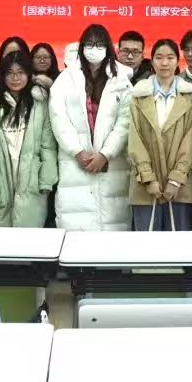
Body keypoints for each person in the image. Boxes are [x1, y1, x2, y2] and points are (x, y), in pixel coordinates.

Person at [48, 25, 133, 231]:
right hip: (75, 163)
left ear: (108, 47)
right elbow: (58, 118)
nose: (94, 49)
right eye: (90, 44)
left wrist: (105, 154)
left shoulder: (122, 79)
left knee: (112, 229)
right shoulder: (66, 78)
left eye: (100, 44)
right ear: (82, 47)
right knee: (75, 230)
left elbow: (125, 122)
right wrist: (76, 151)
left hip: (112, 164)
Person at [0, 51, 58, 228]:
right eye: (10, 73)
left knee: (28, 235)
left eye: (20, 72)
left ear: (29, 74)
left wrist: (46, 179)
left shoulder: (39, 103)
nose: (15, 78)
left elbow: (48, 144)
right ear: (2, 75)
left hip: (31, 176)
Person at [128, 39, 192, 231]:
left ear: (178, 60)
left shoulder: (191, 96)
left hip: (181, 185)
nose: (164, 63)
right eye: (159, 58)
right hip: (144, 185)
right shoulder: (138, 96)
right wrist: (148, 177)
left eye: (170, 57)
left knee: (178, 243)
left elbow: (191, 139)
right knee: (146, 243)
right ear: (152, 61)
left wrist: (176, 178)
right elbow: (134, 139)